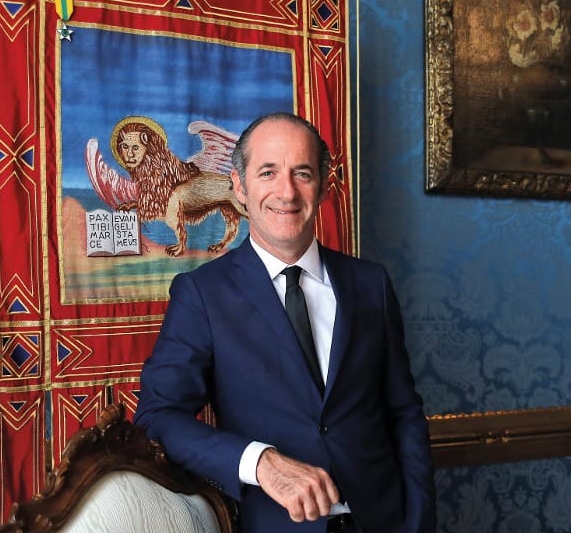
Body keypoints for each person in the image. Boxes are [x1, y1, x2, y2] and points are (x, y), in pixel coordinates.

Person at [133, 112, 436, 533]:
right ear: (239, 187)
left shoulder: (372, 284)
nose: (287, 192)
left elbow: (403, 413)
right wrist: (260, 462)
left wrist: (418, 521)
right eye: (268, 172)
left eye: (302, 173)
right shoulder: (202, 294)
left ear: (323, 186)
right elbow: (157, 417)